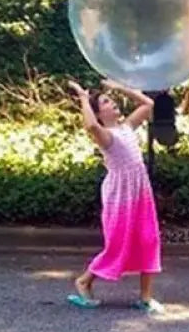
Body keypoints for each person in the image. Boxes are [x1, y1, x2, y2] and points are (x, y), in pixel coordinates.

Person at [66, 79, 163, 313]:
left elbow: (148, 104)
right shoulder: (106, 136)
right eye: (106, 102)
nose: (114, 103)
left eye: (111, 99)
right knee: (118, 244)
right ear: (100, 113)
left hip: (140, 193)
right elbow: (90, 126)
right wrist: (82, 97)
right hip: (120, 197)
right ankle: (84, 281)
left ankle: (146, 297)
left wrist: (120, 87)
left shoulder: (127, 127)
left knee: (149, 239)